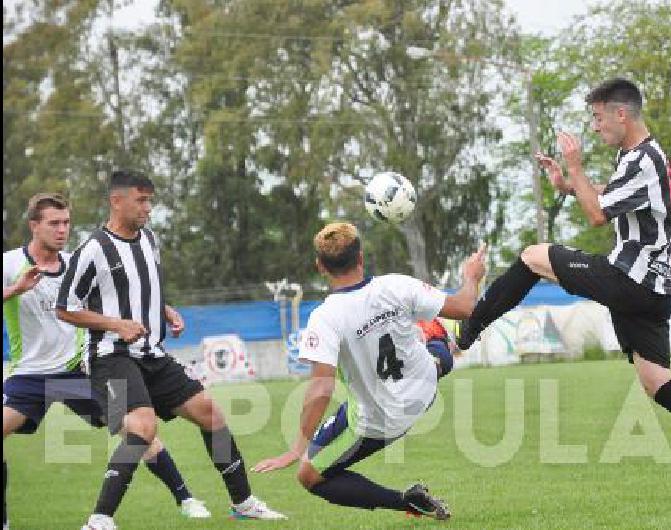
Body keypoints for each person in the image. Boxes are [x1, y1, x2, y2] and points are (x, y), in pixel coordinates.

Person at [456, 78, 671, 501]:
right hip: (654, 290)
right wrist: (568, 185)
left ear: (621, 114)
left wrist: (576, 167)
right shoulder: (637, 157)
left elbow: (598, 215)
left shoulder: (643, 159)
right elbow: (610, 198)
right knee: (657, 382)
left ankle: (467, 331)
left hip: (630, 280)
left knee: (531, 257)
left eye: (598, 118)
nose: (594, 127)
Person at [55, 171, 285, 530]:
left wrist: (166, 309)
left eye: (150, 199)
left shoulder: (149, 238)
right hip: (109, 358)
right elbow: (65, 308)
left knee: (212, 414)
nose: (149, 207)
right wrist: (117, 325)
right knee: (143, 428)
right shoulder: (93, 249)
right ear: (117, 201)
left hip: (153, 353)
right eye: (141, 200)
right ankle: (99, 520)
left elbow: (143, 288)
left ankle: (244, 502)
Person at [2, 193, 211, 530]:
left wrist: (164, 309)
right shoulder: (10, 264)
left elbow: (124, 298)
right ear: (33, 226)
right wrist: (15, 290)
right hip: (30, 375)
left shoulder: (78, 263)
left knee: (138, 431)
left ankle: (186, 499)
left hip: (79, 370)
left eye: (66, 223)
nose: (62, 230)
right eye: (54, 223)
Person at [251, 222, 486, 519]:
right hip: (423, 392)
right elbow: (465, 306)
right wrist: (471, 276)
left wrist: (297, 447)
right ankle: (439, 342)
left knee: (309, 475)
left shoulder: (325, 318)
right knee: (430, 346)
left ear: (320, 266)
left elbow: (321, 389)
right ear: (360, 257)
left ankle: (406, 502)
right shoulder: (397, 285)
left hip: (376, 421)